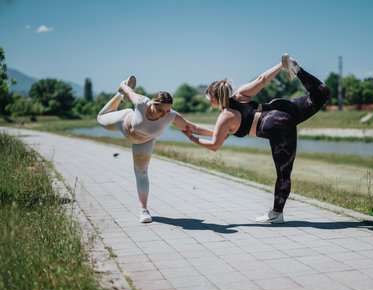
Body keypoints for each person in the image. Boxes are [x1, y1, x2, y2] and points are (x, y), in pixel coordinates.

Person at [183, 54, 330, 223]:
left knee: (284, 174)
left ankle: (277, 213)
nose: (210, 103)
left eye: (210, 100)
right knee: (321, 94)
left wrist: (192, 139)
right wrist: (281, 65)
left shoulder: (225, 117)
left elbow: (215, 144)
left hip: (277, 126)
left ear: (214, 98)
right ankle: (295, 69)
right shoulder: (239, 96)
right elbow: (262, 80)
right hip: (279, 108)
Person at [97, 76, 213, 223]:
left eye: (167, 110)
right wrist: (123, 88)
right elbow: (125, 86)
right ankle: (119, 96)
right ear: (153, 103)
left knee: (142, 172)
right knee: (100, 118)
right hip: (124, 122)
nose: (163, 114)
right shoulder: (141, 102)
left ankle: (143, 210)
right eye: (160, 110)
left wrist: (216, 133)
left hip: (144, 141)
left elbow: (193, 128)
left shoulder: (170, 116)